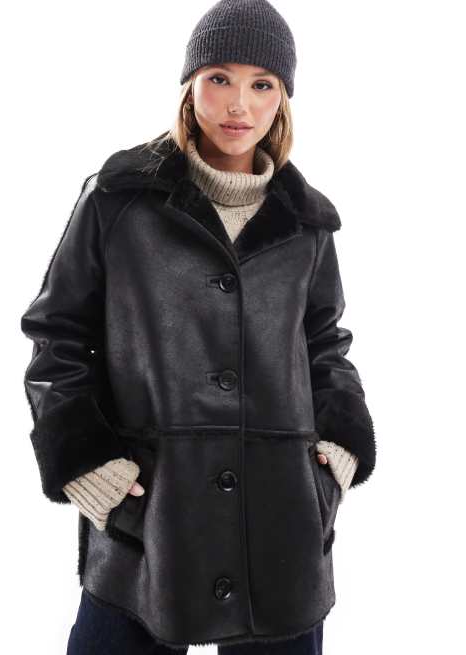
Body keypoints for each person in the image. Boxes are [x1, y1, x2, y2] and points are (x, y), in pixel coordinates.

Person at [20, 1, 376, 653]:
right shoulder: (119, 199)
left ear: (283, 98)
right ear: (189, 84)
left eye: (262, 83)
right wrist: (84, 460)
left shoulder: (307, 225)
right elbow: (58, 334)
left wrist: (340, 446)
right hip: (150, 515)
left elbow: (325, 344)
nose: (239, 103)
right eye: (219, 77)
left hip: (282, 523)